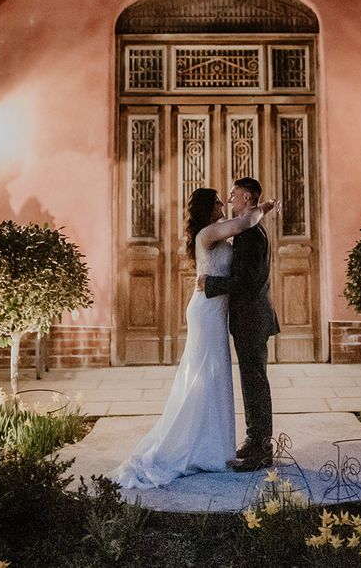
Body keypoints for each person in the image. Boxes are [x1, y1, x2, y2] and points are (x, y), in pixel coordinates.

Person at [113, 188, 276, 489]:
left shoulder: (218, 231)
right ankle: (197, 446)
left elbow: (244, 239)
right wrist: (262, 207)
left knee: (213, 376)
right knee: (204, 375)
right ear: (207, 208)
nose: (223, 203)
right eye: (217, 201)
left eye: (228, 197)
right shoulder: (209, 232)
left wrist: (258, 208)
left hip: (216, 311)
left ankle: (214, 446)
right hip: (206, 312)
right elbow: (243, 223)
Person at [197, 177, 280, 472]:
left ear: (246, 197)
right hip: (248, 317)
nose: (230, 199)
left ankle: (262, 448)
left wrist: (210, 284)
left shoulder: (250, 235)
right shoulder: (248, 229)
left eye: (233, 195)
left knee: (255, 381)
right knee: (251, 380)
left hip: (252, 318)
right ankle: (254, 438)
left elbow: (247, 281)